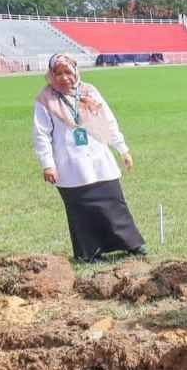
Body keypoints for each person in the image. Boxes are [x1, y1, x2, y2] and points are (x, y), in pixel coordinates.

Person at [33, 53, 147, 262]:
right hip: (70, 165)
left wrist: (123, 149)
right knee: (80, 211)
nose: (64, 78)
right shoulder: (45, 99)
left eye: (68, 72)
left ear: (76, 71)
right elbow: (41, 134)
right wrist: (48, 164)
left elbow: (108, 121)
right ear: (51, 75)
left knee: (114, 203)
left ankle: (132, 245)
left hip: (99, 159)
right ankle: (89, 253)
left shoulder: (89, 91)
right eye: (58, 73)